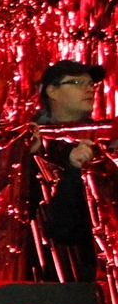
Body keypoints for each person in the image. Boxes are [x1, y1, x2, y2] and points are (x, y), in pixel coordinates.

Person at [35, 60, 107, 279]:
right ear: (52, 91)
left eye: (91, 84)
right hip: (46, 274)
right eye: (77, 83)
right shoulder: (28, 142)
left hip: (95, 267)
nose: (89, 89)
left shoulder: (102, 141)